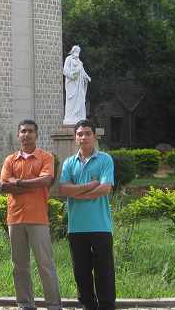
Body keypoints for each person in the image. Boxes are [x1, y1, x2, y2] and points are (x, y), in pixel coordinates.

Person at [0, 119, 62, 310]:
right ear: (18, 135)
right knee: (19, 265)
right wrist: (31, 184)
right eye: (23, 131)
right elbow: (3, 185)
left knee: (45, 264)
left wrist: (18, 182)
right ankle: (25, 304)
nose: (26, 135)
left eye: (30, 131)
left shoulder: (46, 157)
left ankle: (53, 305)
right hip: (15, 218)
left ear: (36, 134)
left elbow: (45, 181)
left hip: (38, 218)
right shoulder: (10, 159)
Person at [58, 119, 115, 310]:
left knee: (104, 270)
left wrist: (78, 193)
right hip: (77, 227)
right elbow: (64, 190)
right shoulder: (69, 162)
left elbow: (105, 188)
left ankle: (106, 306)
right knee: (81, 271)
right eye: (80, 134)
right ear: (75, 138)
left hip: (101, 226)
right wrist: (91, 185)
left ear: (94, 136)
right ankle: (88, 305)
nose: (83, 137)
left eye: (87, 133)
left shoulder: (105, 159)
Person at [63, 45, 91, 125]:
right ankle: (70, 117)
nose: (77, 52)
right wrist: (72, 75)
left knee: (80, 100)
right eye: (76, 51)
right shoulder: (68, 59)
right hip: (72, 84)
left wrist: (87, 77)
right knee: (72, 102)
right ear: (73, 51)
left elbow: (82, 71)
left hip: (79, 84)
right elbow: (65, 70)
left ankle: (79, 116)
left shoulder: (79, 61)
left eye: (79, 51)